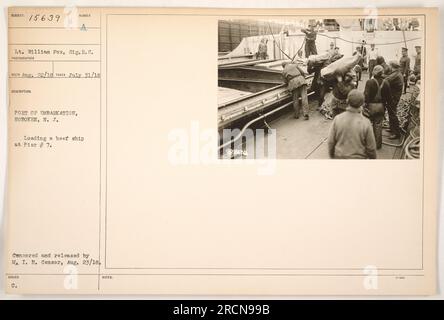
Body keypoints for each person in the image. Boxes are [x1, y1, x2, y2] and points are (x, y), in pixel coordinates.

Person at [327, 90, 377, 159]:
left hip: (340, 158)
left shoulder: (337, 119)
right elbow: (371, 148)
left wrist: (332, 156)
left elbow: (330, 142)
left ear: (347, 101)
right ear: (362, 104)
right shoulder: (366, 123)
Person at [363, 65, 392, 149]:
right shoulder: (386, 82)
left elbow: (366, 96)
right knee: (378, 126)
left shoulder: (369, 82)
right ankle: (377, 145)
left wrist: (365, 105)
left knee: (367, 125)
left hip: (370, 107)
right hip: (381, 107)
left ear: (374, 72)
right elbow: (389, 98)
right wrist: (386, 106)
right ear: (382, 72)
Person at [384, 61, 404, 139]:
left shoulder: (396, 75)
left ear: (392, 66)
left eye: (389, 66)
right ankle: (392, 128)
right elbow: (388, 76)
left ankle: (396, 133)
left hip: (394, 98)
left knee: (392, 114)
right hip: (393, 97)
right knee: (390, 112)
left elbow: (386, 80)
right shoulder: (397, 73)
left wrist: (378, 75)